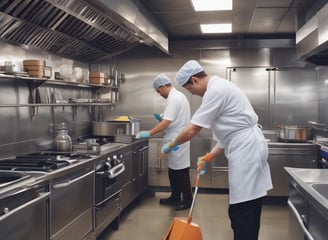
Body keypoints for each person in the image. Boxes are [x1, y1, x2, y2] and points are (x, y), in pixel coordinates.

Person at [162, 60, 273, 239]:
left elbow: (192, 129)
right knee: (243, 207)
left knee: (243, 209)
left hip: (247, 150)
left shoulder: (216, 90)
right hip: (244, 147)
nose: (192, 93)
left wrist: (172, 144)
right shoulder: (219, 88)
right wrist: (209, 156)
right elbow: (227, 136)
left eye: (189, 89)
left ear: (194, 80)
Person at [136, 73, 193, 210]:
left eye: (158, 90)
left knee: (181, 171)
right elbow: (171, 118)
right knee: (174, 170)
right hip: (176, 137)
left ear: (162, 86)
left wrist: (149, 133)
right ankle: (175, 197)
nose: (159, 93)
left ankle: (187, 201)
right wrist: (161, 118)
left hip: (178, 139)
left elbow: (167, 122)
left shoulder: (174, 98)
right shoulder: (176, 97)